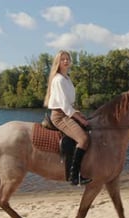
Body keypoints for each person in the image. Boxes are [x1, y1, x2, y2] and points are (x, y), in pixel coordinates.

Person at [43, 50, 92, 186]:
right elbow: (64, 106)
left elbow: (69, 104)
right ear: (58, 62)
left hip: (67, 112)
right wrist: (81, 119)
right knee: (83, 139)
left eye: (67, 59)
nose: (65, 61)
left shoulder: (67, 78)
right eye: (62, 59)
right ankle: (74, 176)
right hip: (60, 116)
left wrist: (78, 113)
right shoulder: (58, 80)